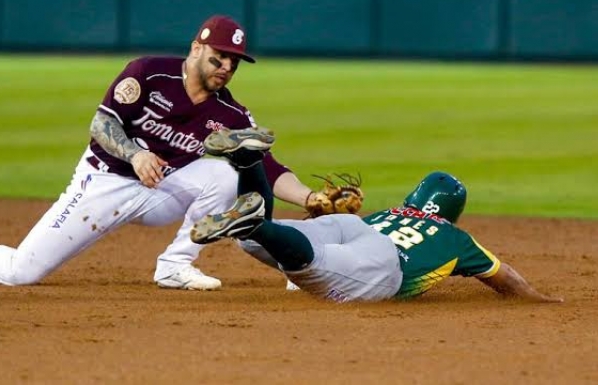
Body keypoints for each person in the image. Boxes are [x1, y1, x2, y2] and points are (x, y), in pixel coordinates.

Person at [0, 15, 314, 290]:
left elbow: (267, 165)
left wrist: (310, 198)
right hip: (103, 181)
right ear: (195, 49)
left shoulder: (230, 112)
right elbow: (102, 125)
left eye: (234, 62)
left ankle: (174, 266)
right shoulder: (147, 72)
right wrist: (135, 154)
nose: (226, 66)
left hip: (163, 189)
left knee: (228, 176)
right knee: (22, 272)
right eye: (219, 56)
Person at [191, 127, 563, 303]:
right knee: (309, 261)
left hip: (353, 227)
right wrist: (540, 300)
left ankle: (249, 161)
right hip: (382, 264)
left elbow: (335, 233)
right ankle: (254, 220)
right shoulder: (456, 239)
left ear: (415, 197)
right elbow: (506, 280)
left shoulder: (390, 213)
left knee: (257, 240)